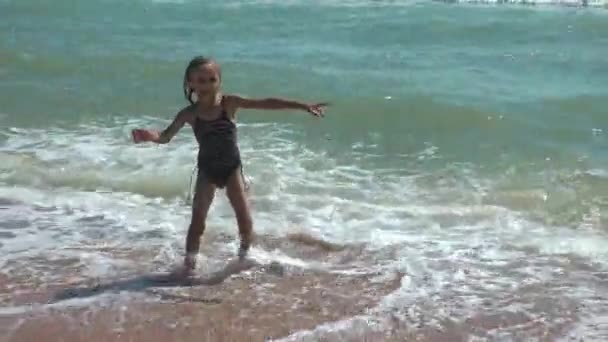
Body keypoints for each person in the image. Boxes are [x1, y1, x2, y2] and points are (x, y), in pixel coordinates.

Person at [131, 56, 327, 273]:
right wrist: (150, 135)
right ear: (190, 84)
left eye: (211, 80)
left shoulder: (229, 103)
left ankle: (244, 257)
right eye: (200, 80)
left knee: (244, 218)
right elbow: (166, 136)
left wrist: (302, 105)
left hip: (232, 169)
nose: (206, 85)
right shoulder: (189, 114)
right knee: (198, 222)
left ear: (219, 82)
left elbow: (265, 103)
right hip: (207, 170)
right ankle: (189, 266)